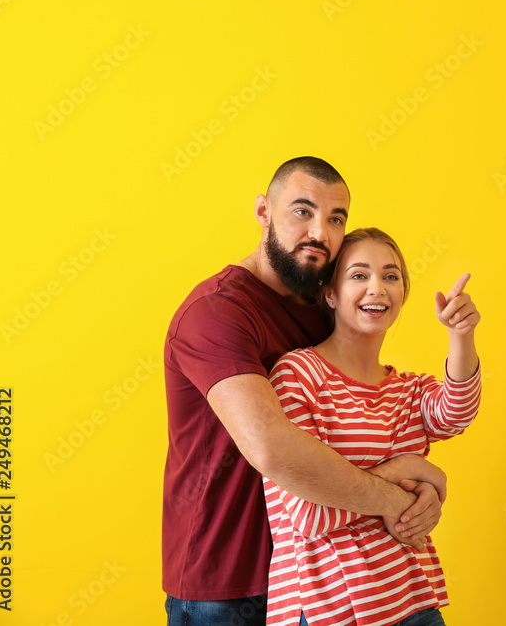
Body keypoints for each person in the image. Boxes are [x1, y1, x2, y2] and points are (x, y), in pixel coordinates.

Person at [162, 158, 447, 626]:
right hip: (225, 581)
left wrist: (423, 484)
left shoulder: (323, 309)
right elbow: (271, 449)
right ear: (263, 212)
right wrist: (403, 498)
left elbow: (365, 427)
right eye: (302, 211)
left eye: (336, 218)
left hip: (316, 579)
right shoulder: (216, 313)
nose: (320, 232)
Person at [263, 228, 481, 626]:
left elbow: (456, 414)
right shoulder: (298, 375)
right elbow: (309, 515)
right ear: (330, 293)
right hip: (328, 608)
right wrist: (402, 472)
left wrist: (460, 335)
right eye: (359, 275)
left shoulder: (407, 389)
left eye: (391, 276)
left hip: (413, 599)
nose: (377, 288)